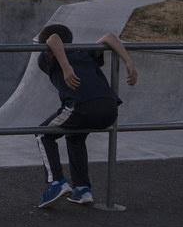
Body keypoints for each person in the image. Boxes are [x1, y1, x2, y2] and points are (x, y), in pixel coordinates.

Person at [35, 24, 137, 208]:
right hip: (110, 108)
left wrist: (65, 67)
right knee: (75, 137)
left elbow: (53, 39)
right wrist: (128, 61)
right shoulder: (83, 52)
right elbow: (109, 36)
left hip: (82, 106)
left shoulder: (47, 58)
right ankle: (82, 189)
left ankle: (56, 182)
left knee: (42, 134)